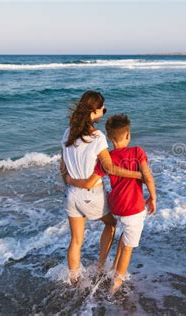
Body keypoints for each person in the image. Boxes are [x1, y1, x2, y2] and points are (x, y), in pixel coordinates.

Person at [65, 113, 157, 294]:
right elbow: (148, 177)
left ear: (109, 137)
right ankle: (116, 283)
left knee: (123, 231)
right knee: (128, 248)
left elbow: (92, 181)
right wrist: (152, 197)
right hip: (134, 207)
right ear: (128, 134)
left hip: (116, 207)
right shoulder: (137, 151)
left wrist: (70, 180)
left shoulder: (106, 159)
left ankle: (107, 266)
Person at [60, 91, 142, 284]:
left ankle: (73, 279)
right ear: (94, 111)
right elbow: (110, 167)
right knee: (111, 223)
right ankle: (100, 266)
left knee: (76, 241)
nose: (103, 112)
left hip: (71, 195)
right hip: (91, 194)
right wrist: (138, 175)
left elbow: (62, 167)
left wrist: (71, 183)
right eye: (102, 109)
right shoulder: (97, 137)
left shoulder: (68, 132)